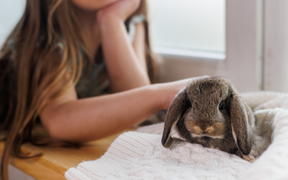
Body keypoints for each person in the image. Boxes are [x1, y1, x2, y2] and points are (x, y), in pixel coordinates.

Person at [0, 0, 191, 179]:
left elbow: (134, 95)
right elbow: (60, 121)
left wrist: (111, 21)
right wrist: (161, 94)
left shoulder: (129, 19)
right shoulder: (46, 35)